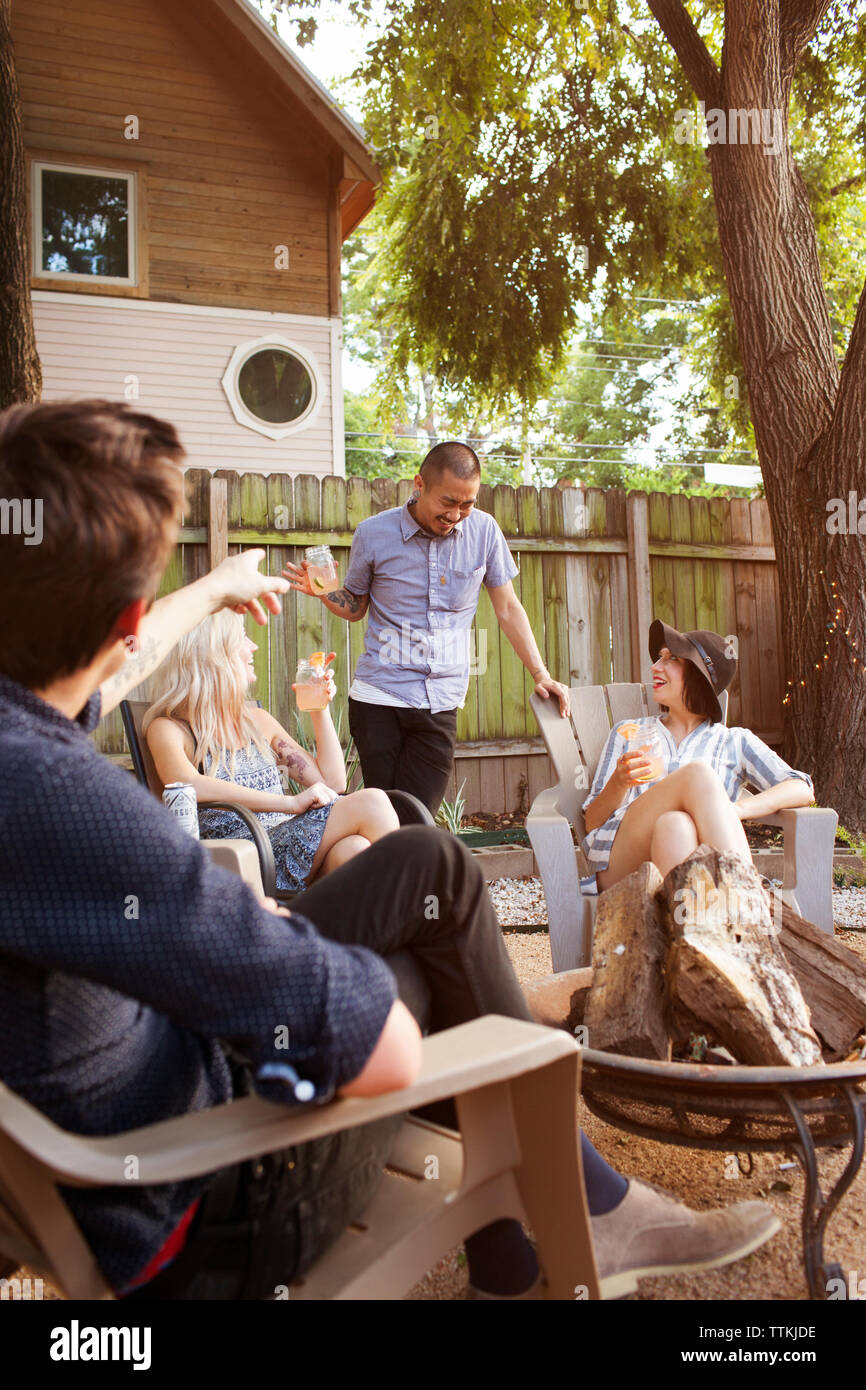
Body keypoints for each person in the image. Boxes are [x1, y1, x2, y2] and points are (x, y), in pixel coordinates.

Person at [0, 401, 780, 1301]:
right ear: (123, 619)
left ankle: (517, 1251)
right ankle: (581, 1210)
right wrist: (271, 933)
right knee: (436, 964)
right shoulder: (79, 815)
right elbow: (383, 1059)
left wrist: (211, 591)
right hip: (208, 1196)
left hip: (110, 1131)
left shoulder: (28, 739)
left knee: (425, 864)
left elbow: (112, 664)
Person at [282, 440, 571, 816]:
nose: (457, 514)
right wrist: (324, 594)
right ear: (419, 484)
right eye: (448, 502)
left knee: (418, 819)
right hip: (378, 699)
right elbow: (355, 607)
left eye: (467, 504)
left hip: (441, 701)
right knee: (381, 819)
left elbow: (509, 608)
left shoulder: (484, 532)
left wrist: (541, 673)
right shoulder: (373, 533)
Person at [144, 610, 399, 891]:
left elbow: (333, 783)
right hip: (245, 853)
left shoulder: (257, 722)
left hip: (287, 844)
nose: (253, 646)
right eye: (242, 638)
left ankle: (370, 930)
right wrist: (289, 804)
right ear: (213, 653)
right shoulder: (170, 728)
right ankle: (421, 917)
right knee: (373, 802)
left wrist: (318, 709)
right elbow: (188, 784)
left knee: (355, 849)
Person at [583, 620, 815, 893]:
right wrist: (619, 783)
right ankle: (746, 899)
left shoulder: (734, 741)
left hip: (695, 871)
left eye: (672, 659)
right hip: (622, 866)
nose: (655, 666)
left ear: (699, 677)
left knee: (675, 824)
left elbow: (802, 788)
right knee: (697, 774)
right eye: (659, 657)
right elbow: (593, 823)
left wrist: (735, 810)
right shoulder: (629, 732)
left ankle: (690, 930)